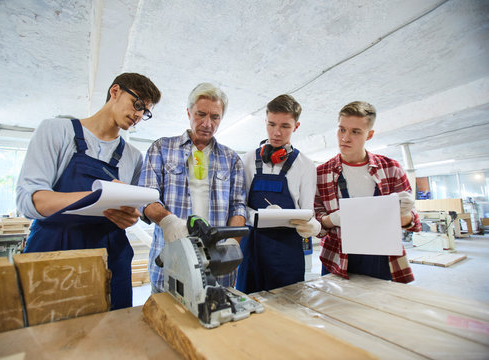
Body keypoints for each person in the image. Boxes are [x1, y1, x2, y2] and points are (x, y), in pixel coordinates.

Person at [16, 72, 161, 309]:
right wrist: (96, 197)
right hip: (54, 250)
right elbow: (29, 201)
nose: (138, 115)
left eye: (145, 112)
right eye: (137, 104)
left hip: (109, 257)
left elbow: (131, 212)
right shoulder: (56, 131)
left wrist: (129, 217)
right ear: (115, 91)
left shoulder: (133, 157)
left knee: (108, 336)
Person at [138, 82, 246, 293]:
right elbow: (146, 198)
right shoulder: (161, 148)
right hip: (170, 261)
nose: (207, 123)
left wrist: (232, 241)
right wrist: (169, 222)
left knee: (217, 319)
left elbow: (238, 206)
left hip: (217, 266)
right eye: (200, 114)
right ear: (188, 112)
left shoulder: (232, 159)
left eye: (215, 117)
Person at [314, 101, 421, 283]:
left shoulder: (391, 168)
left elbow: (413, 223)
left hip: (383, 258)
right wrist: (331, 219)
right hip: (338, 257)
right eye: (341, 129)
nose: (345, 138)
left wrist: (405, 213)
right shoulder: (321, 173)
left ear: (369, 135)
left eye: (355, 132)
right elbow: (316, 224)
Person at [236, 94, 320, 293]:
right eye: (271, 124)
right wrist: (258, 216)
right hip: (251, 248)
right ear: (265, 121)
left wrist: (311, 225)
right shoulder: (247, 160)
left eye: (285, 126)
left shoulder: (306, 166)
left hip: (287, 252)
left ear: (296, 127)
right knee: (249, 306)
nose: (276, 132)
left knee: (287, 308)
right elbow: (238, 204)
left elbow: (308, 212)